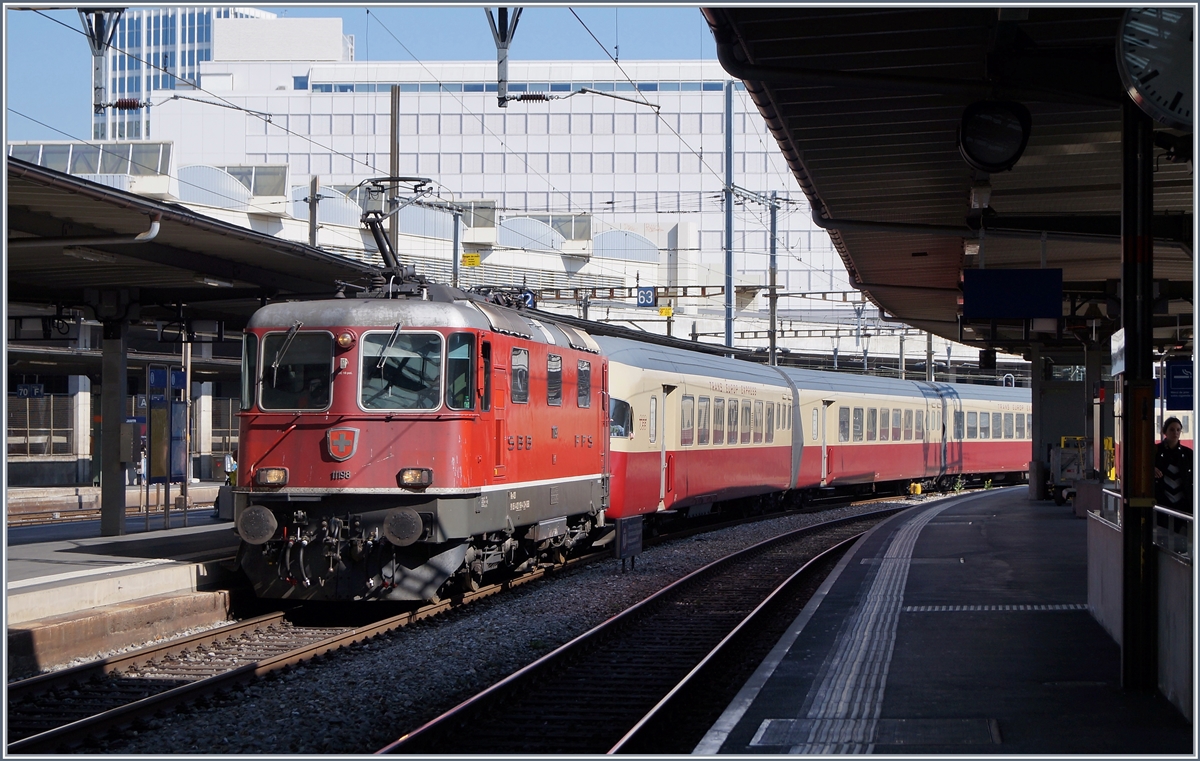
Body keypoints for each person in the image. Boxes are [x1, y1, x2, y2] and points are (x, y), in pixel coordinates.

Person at [1154, 417, 1192, 513]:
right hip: (1161, 503)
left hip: (1184, 504)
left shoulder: (1188, 454)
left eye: (1178, 430)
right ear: (1164, 431)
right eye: (1172, 429)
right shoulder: (1155, 451)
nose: (1175, 432)